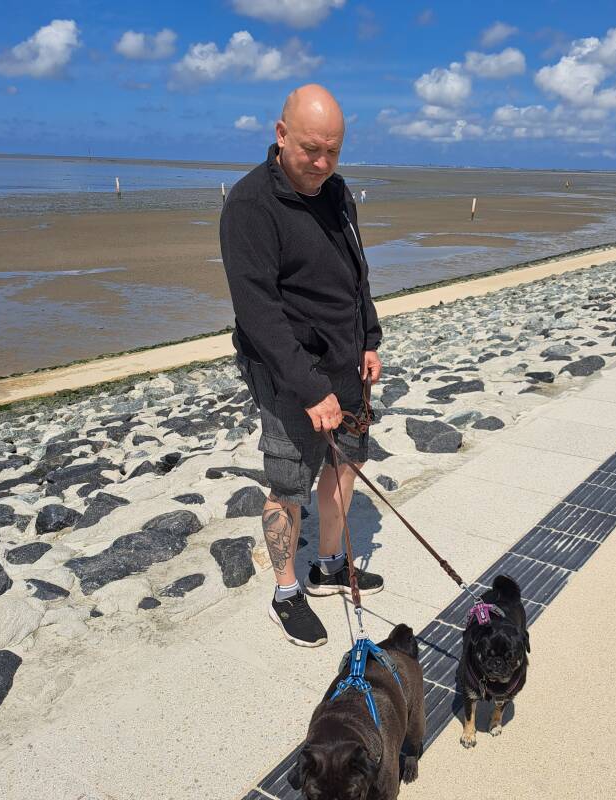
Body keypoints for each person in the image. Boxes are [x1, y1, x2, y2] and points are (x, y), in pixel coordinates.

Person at [219, 84, 384, 648]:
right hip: (289, 372)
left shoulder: (336, 192)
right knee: (288, 483)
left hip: (348, 361)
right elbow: (258, 313)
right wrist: (311, 390)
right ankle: (286, 592)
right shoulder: (249, 205)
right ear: (280, 133)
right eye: (311, 149)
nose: (321, 163)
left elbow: (355, 271)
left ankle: (331, 564)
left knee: (347, 466)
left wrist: (369, 336)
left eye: (333, 151)